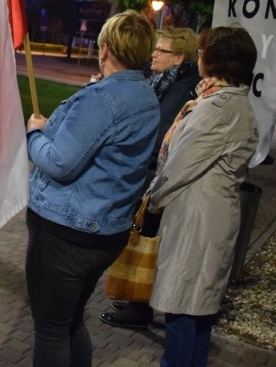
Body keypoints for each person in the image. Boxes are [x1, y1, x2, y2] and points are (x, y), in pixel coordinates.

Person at [24, 10, 160, 366]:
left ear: (104, 49)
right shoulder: (145, 96)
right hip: (105, 231)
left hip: (67, 233)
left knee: (52, 329)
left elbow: (59, 162)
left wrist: (34, 133)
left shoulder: (102, 100)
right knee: (70, 322)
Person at [147, 26, 258, 367]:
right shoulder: (225, 102)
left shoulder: (217, 109)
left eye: (202, 50)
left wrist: (150, 200)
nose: (198, 56)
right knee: (197, 309)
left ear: (215, 60)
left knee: (183, 308)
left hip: (198, 221)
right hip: (208, 216)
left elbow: (179, 165)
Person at [100, 26, 201, 329]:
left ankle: (139, 307)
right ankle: (134, 297)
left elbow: (159, 134)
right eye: (155, 48)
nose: (154, 54)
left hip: (154, 175)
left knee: (146, 239)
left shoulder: (182, 88)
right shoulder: (165, 81)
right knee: (141, 237)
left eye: (162, 50)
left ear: (179, 57)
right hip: (149, 172)